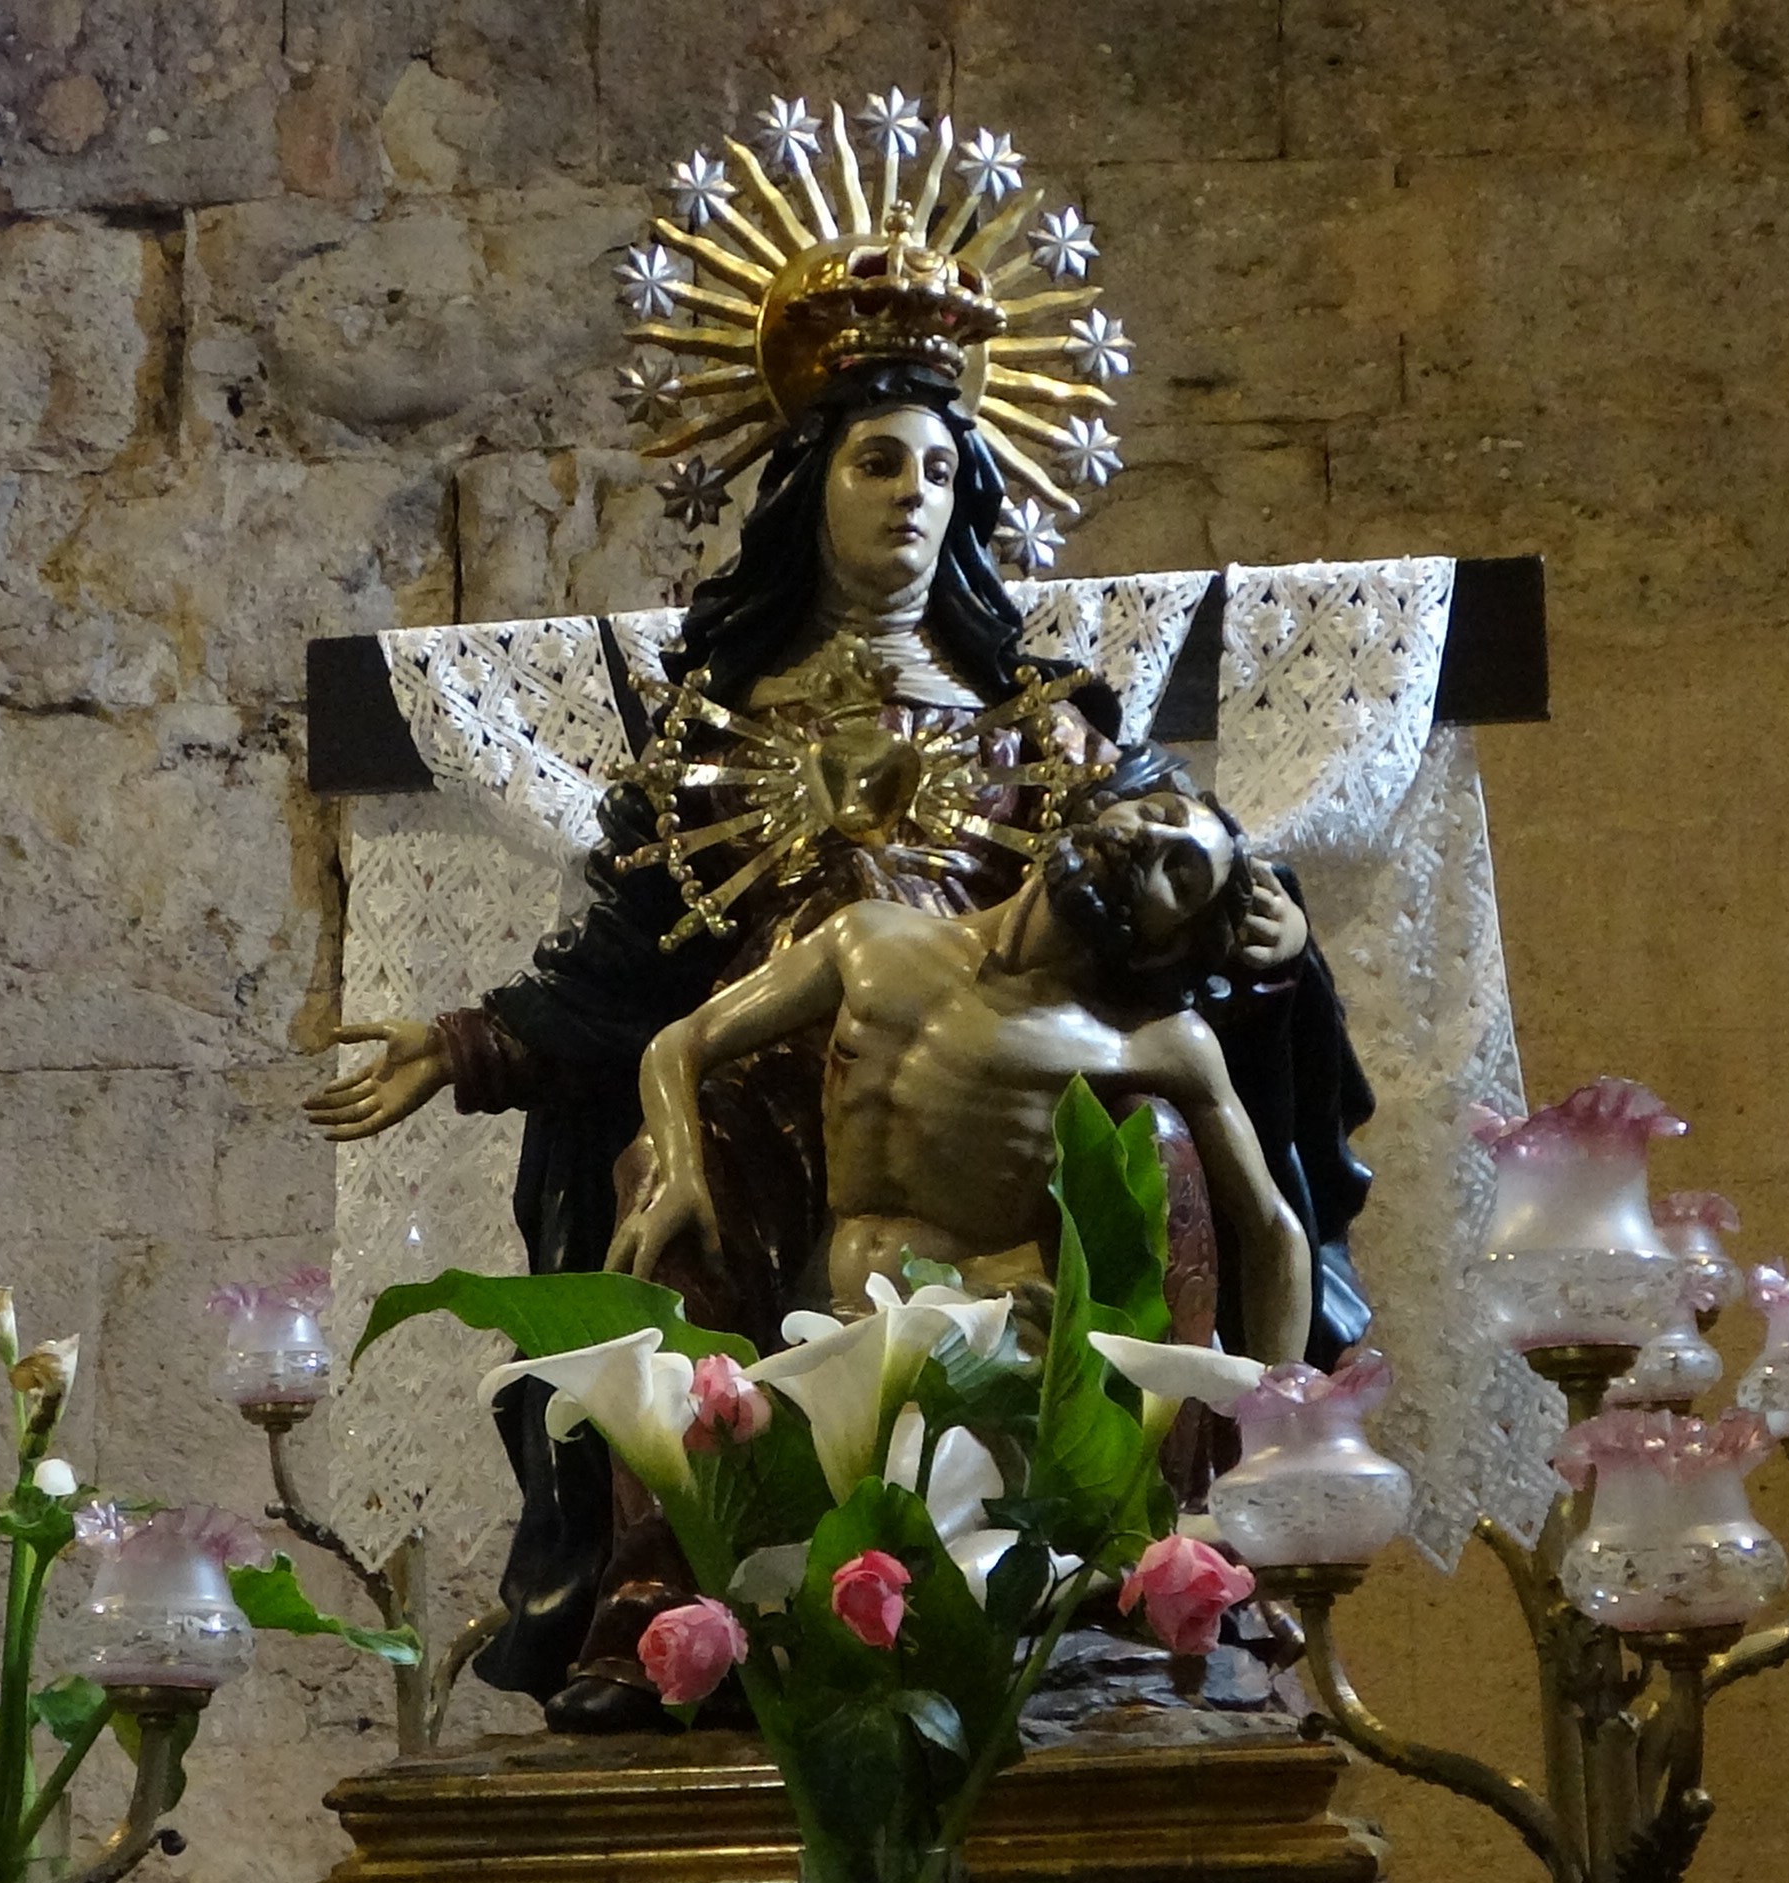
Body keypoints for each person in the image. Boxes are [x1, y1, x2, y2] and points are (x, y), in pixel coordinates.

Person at [306, 349, 1376, 1730]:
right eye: (880, 463)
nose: (913, 499)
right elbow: (632, 978)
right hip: (767, 1096)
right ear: (811, 489)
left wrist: (1274, 941)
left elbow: (1184, 879)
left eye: (943, 470)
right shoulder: (711, 730)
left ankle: (1155, 1560)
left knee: (1152, 1156)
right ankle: (667, 1593)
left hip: (1017, 1102)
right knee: (654, 1194)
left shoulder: (1047, 730)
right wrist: (462, 1045)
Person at [610, 786, 1314, 1368]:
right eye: (1155, 817)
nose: (1148, 845)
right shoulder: (871, 937)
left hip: (990, 1354)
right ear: (1106, 808)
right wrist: (679, 1169)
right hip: (819, 1322)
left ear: (1170, 948)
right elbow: (682, 1043)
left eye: (1180, 875)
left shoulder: (1153, 1041)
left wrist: (1279, 1421)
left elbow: (1274, 1231)